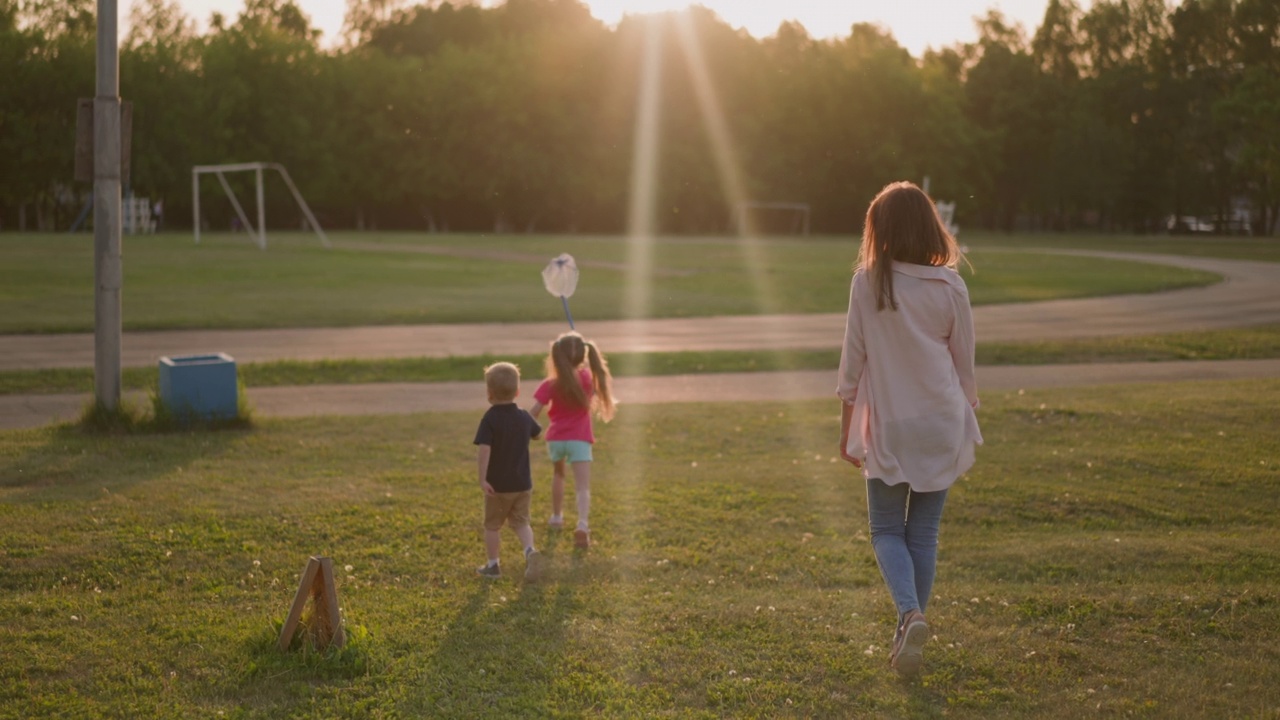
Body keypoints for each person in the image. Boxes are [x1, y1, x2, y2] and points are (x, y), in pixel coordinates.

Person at [836, 181, 982, 678]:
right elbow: (965, 366)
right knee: (924, 531)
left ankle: (909, 615)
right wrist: (965, 415)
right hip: (942, 419)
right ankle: (909, 630)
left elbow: (852, 367)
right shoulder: (951, 285)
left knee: (884, 529)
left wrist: (846, 432)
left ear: (879, 230)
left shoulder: (867, 283)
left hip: (892, 423)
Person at [529, 331, 616, 550]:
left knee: (558, 475)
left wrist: (529, 431)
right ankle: (583, 525)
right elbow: (597, 386)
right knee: (582, 486)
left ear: (557, 354)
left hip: (556, 439)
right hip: (579, 439)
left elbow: (534, 413)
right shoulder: (588, 378)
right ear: (583, 355)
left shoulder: (550, 383)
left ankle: (557, 516)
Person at [474, 362, 544, 581]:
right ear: (517, 391)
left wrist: (483, 478)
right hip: (523, 484)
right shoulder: (523, 416)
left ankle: (493, 566)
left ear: (489, 393)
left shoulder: (490, 418)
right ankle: (530, 551)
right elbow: (537, 433)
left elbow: (485, 450)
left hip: (498, 486)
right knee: (522, 522)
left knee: (492, 526)